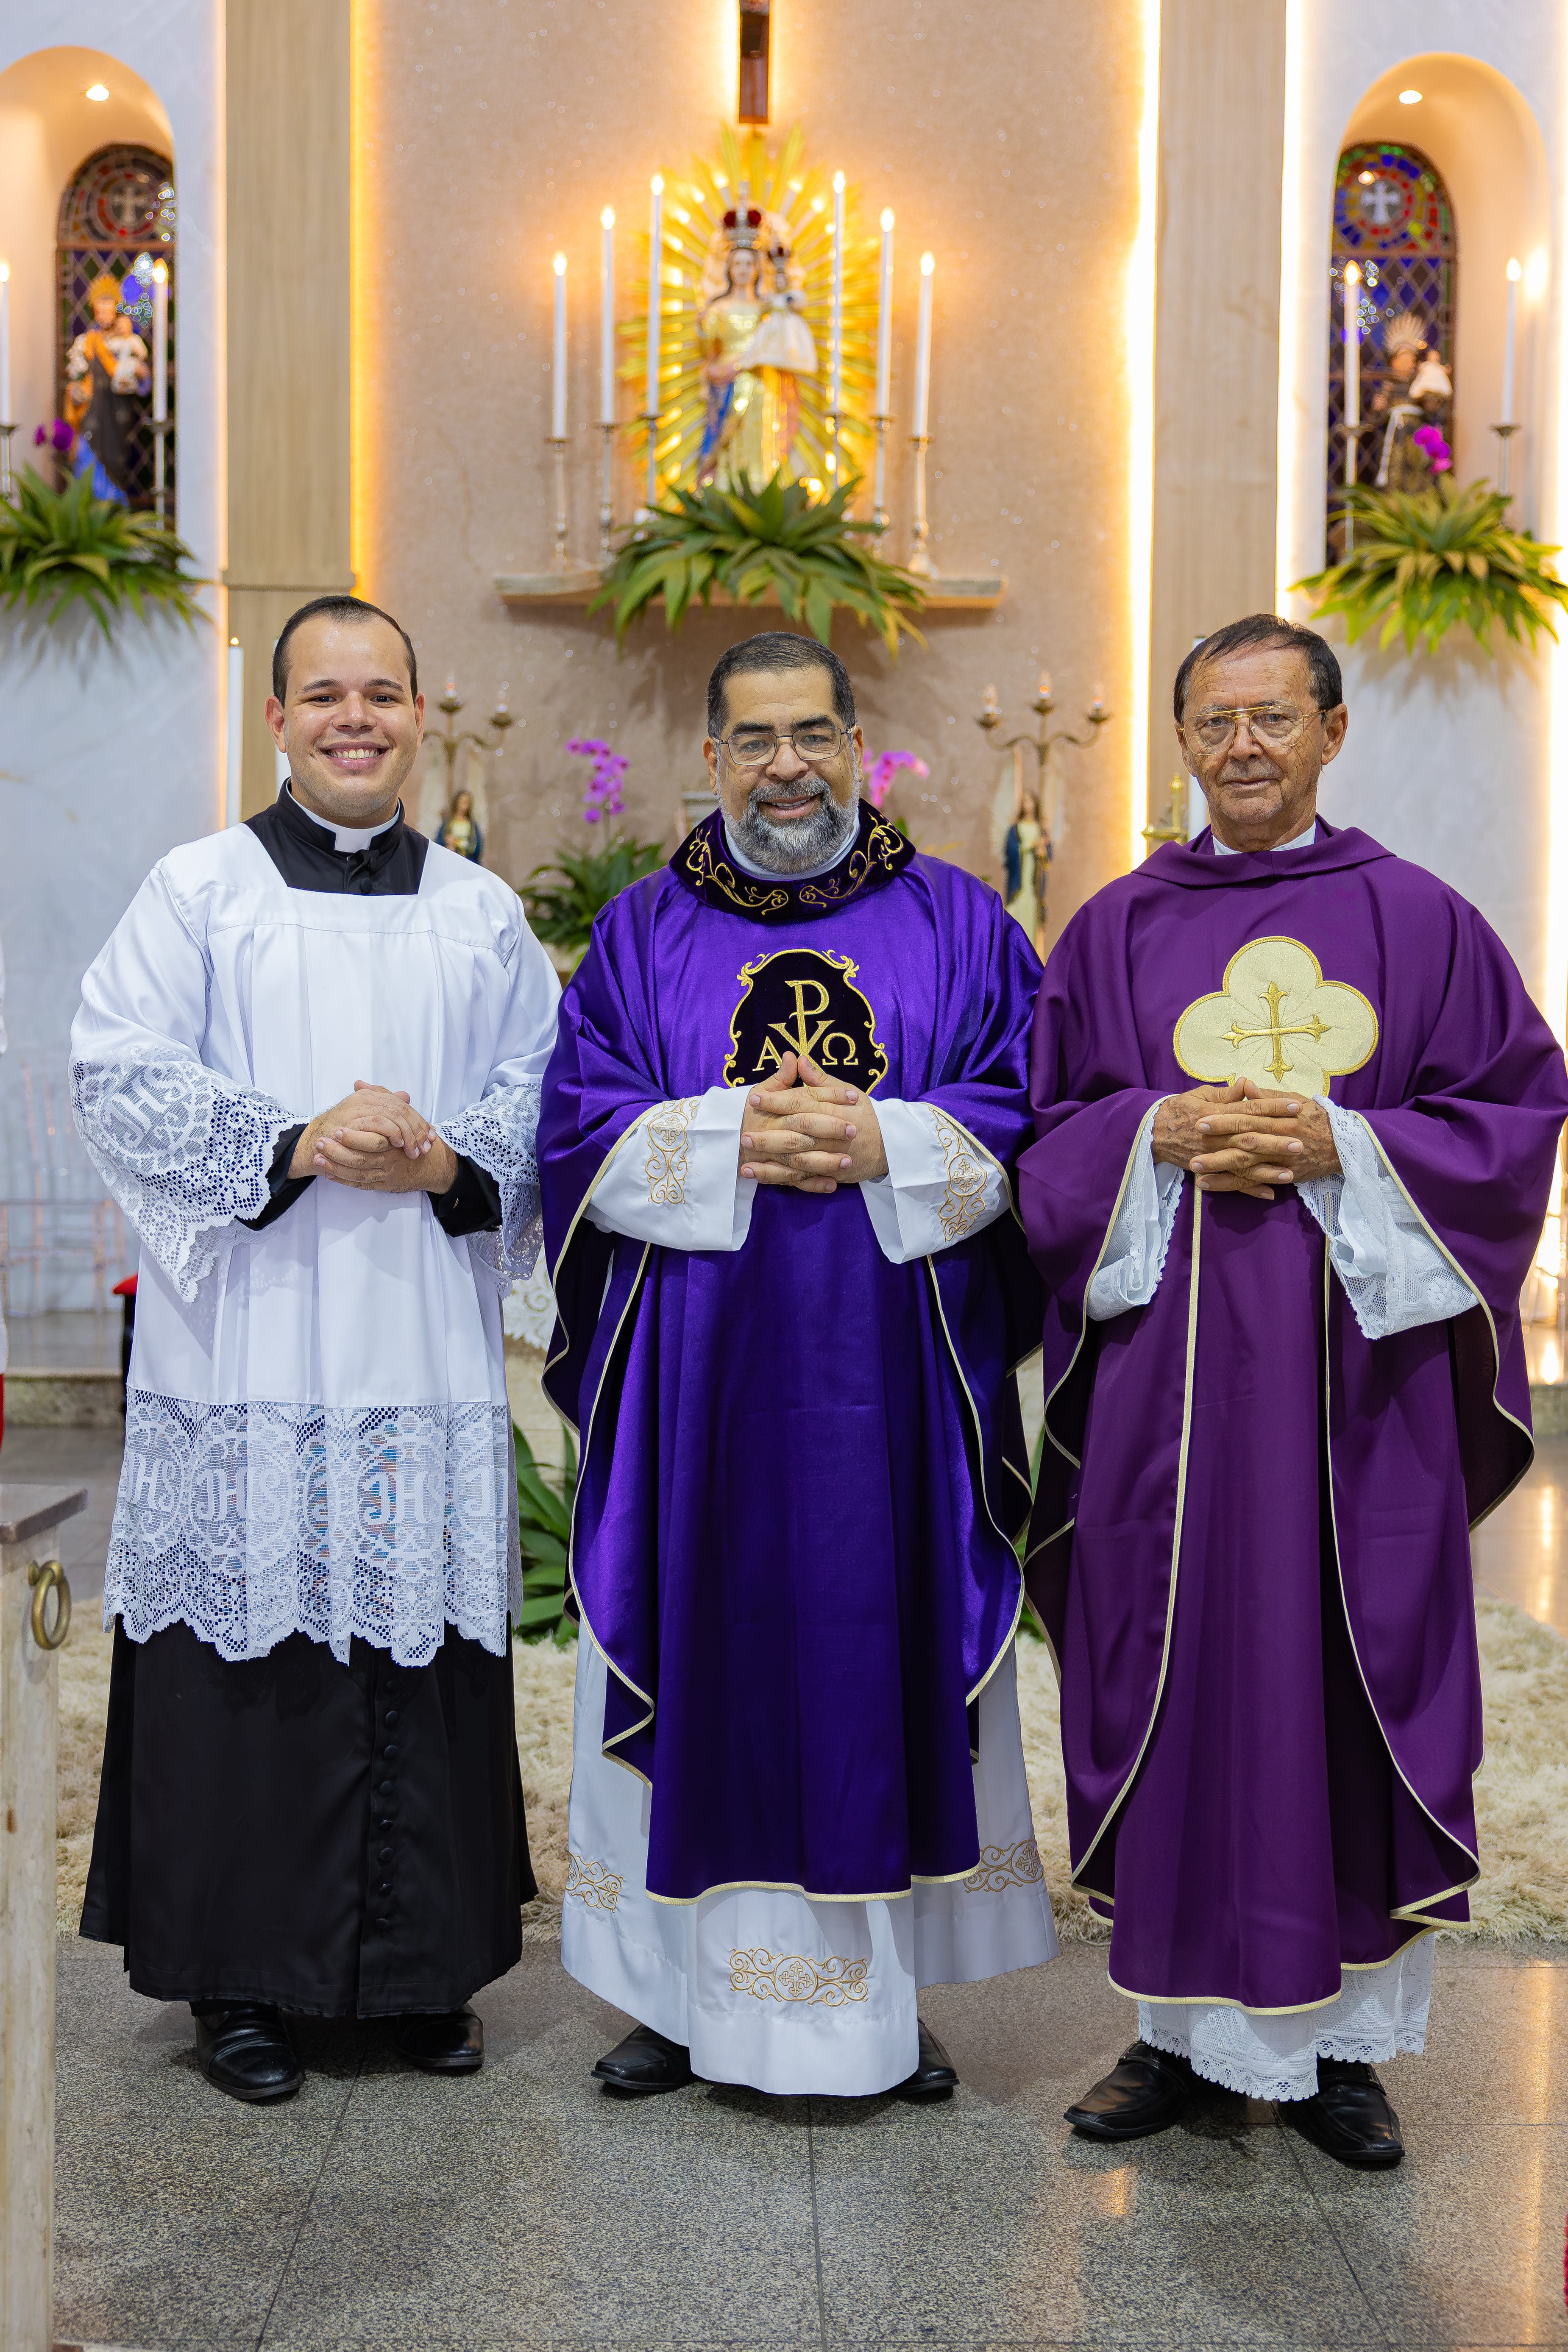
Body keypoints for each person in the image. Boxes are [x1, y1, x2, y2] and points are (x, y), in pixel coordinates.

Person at [1020, 613, 1568, 2167]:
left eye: (1272, 717)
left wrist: (1344, 1144)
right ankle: (1171, 2028)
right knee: (1170, 1672)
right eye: (1213, 721)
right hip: (1165, 1403)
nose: (1241, 746)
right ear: (1183, 742)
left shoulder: (1421, 920)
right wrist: (1153, 1134)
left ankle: (1341, 2050)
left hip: (1354, 1395)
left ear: (1332, 732)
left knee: (1342, 1672)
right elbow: (1042, 1135)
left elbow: (1514, 1115)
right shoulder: (1116, 928)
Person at [538, 629, 1056, 2100]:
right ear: (708, 757)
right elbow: (574, 1121)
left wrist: (883, 1135)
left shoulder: (957, 919)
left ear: (856, 743)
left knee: (873, 1642)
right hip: (693, 1388)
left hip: (889, 1387)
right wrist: (719, 1135)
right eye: (753, 739)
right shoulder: (642, 930)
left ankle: (878, 1996)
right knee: (695, 1634)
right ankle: (675, 1993)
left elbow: (1031, 1099)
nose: (784, 767)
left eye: (811, 735)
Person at [71, 594, 559, 2102]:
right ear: (274, 718)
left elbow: (548, 1088)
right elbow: (117, 1064)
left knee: (420, 1644)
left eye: (384, 693)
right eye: (325, 693)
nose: (357, 716)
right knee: (251, 1655)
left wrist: (442, 1159)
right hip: (250, 1351)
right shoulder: (199, 890)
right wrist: (291, 1135)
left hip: (415, 1340)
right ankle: (245, 1983)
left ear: (423, 715)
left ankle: (421, 1975)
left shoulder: (478, 908)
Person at [64, 278, 148, 504]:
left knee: (115, 460)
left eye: (108, 307)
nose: (103, 313)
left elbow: (142, 379)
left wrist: (141, 374)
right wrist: (76, 392)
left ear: (115, 309)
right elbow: (75, 378)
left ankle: (115, 514)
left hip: (117, 414)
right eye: (99, 308)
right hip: (91, 414)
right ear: (94, 311)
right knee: (87, 461)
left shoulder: (128, 343)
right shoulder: (86, 342)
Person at [437, 787, 484, 863]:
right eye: (462, 801)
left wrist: (456, 842)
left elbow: (477, 848)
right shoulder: (448, 823)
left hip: (468, 862)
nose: (465, 804)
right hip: (450, 862)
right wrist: (447, 845)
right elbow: (439, 843)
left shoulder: (472, 826)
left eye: (467, 802)